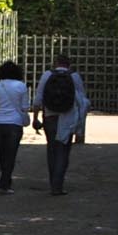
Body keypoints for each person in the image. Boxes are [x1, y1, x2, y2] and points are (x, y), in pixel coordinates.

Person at [32, 53, 90, 198]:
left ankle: (53, 182)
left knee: (51, 149)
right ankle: (58, 185)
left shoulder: (47, 75)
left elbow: (38, 98)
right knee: (63, 151)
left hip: (50, 116)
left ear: (55, 63)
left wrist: (35, 118)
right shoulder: (74, 76)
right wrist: (80, 125)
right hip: (68, 117)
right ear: (69, 64)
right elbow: (82, 101)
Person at [0, 60, 30, 195]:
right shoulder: (21, 86)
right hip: (14, 123)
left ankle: (5, 178)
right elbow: (25, 107)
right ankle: (5, 183)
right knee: (11, 154)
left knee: (2, 153)